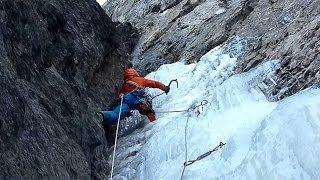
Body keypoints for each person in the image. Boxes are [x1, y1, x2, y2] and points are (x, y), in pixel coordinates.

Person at [98, 68, 170, 135]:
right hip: (138, 96)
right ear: (135, 73)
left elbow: (120, 95)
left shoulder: (125, 85)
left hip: (127, 99)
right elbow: (155, 84)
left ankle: (102, 116)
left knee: (117, 113)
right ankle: (154, 123)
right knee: (146, 107)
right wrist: (165, 88)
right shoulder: (141, 80)